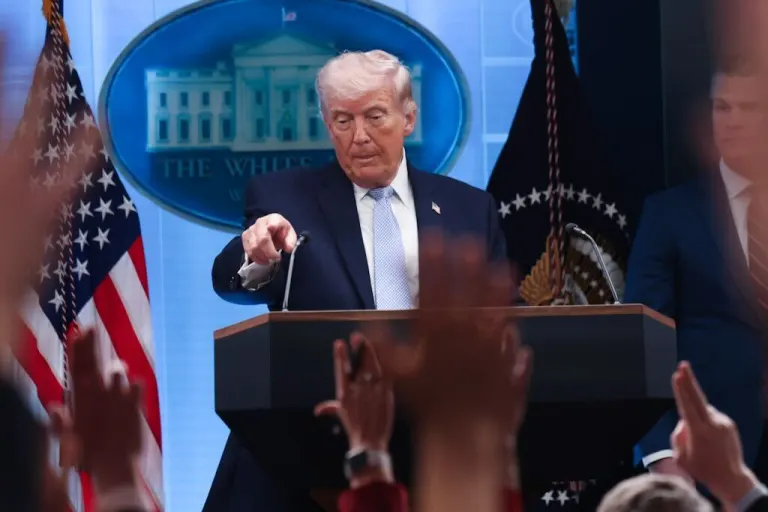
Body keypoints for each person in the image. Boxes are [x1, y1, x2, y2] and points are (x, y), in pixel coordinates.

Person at [206, 50, 509, 511]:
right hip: (305, 453)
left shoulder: (470, 209)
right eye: (343, 121)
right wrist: (257, 254)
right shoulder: (285, 199)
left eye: (374, 116)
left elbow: (502, 322)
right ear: (328, 125)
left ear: (408, 118)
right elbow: (226, 278)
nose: (359, 136)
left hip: (436, 447)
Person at [624, 55, 768, 484]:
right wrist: (662, 456)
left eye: (749, 107)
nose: (732, 120)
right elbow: (642, 347)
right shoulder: (671, 215)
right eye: (721, 107)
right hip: (705, 463)